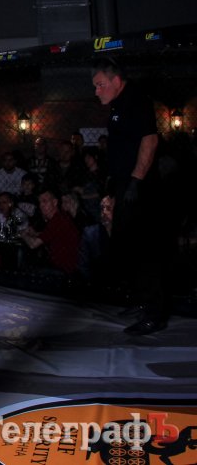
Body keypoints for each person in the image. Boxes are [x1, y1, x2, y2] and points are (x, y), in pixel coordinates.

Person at [92, 57, 168, 335]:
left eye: (100, 85)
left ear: (116, 81)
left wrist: (136, 181)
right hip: (125, 184)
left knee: (146, 247)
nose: (96, 91)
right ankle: (141, 300)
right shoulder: (118, 104)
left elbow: (150, 140)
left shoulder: (136, 100)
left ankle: (155, 313)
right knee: (129, 246)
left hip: (140, 186)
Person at [19, 188, 80, 276]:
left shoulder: (58, 220)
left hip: (65, 269)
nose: (41, 205)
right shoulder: (59, 217)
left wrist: (22, 234)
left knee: (25, 266)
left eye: (45, 201)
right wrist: (34, 233)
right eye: (40, 202)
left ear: (55, 202)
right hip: (64, 266)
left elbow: (33, 245)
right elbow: (51, 235)